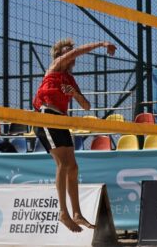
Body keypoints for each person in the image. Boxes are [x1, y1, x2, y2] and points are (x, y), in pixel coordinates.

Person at [33, 38, 116, 232]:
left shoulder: (69, 79)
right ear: (60, 56)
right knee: (63, 164)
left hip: (61, 121)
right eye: (68, 52)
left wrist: (75, 94)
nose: (72, 55)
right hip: (47, 117)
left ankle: (77, 213)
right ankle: (64, 212)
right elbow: (77, 52)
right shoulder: (54, 67)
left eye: (71, 51)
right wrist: (102, 44)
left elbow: (86, 106)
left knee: (73, 167)